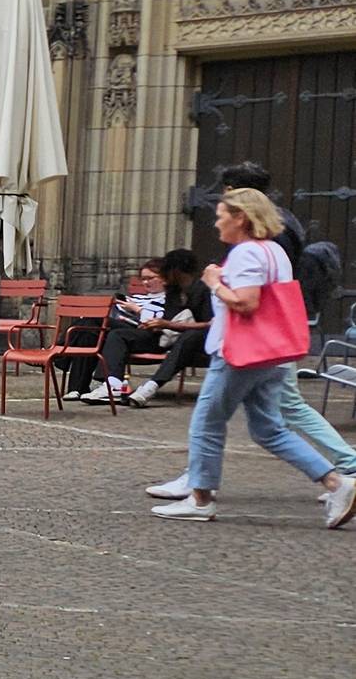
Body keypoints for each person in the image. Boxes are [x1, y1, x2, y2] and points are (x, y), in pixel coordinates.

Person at [145, 189, 356, 526]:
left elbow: (246, 302)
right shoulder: (276, 252)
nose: (216, 223)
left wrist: (214, 282)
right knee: (269, 429)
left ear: (240, 217)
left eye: (221, 215)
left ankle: (200, 499)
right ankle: (338, 483)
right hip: (272, 351)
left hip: (240, 351)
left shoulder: (245, 254)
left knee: (207, 423)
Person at [71, 251, 209, 405]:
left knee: (191, 335)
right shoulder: (173, 290)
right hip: (161, 334)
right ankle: (113, 384)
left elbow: (212, 323)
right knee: (116, 334)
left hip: (194, 338)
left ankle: (150, 386)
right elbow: (167, 317)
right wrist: (153, 323)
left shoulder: (202, 289)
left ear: (175, 270)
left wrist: (167, 324)